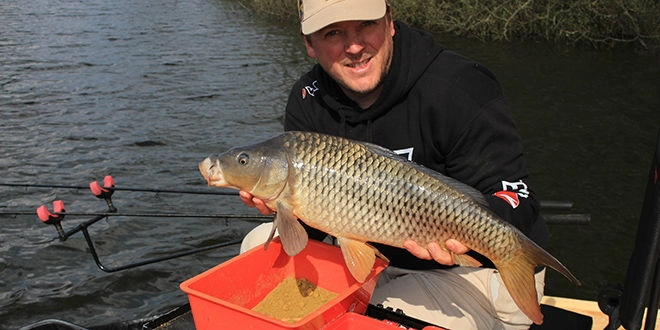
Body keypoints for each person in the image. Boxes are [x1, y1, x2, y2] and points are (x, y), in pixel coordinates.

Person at [239, 0, 548, 328]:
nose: (355, 46)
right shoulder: (307, 101)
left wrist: (468, 234)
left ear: (389, 22)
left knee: (370, 320)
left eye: (365, 25)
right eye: (333, 32)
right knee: (257, 247)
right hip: (371, 258)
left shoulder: (459, 86)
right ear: (309, 43)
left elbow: (515, 197)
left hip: (474, 272)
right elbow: (319, 222)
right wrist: (286, 207)